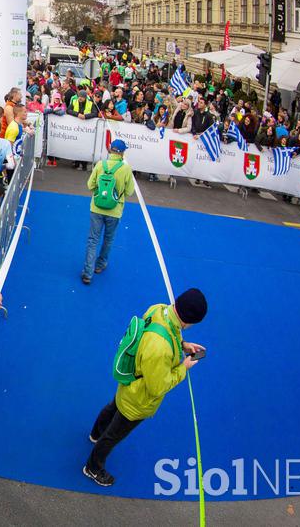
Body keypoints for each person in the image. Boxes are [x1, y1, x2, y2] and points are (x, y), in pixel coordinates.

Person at [84, 289, 208, 487]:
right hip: (138, 400)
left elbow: (163, 332)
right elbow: (158, 387)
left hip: (129, 382)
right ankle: (93, 467)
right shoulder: (161, 349)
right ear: (188, 321)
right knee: (114, 434)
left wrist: (182, 344)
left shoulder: (159, 309)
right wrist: (183, 369)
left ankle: (94, 434)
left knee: (113, 406)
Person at [81, 140, 135, 285]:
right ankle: (100, 264)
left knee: (93, 240)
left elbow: (89, 185)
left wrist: (99, 194)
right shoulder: (126, 169)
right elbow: (129, 191)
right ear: (122, 152)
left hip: (96, 208)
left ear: (110, 150)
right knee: (108, 239)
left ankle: (87, 273)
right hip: (114, 210)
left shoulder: (100, 165)